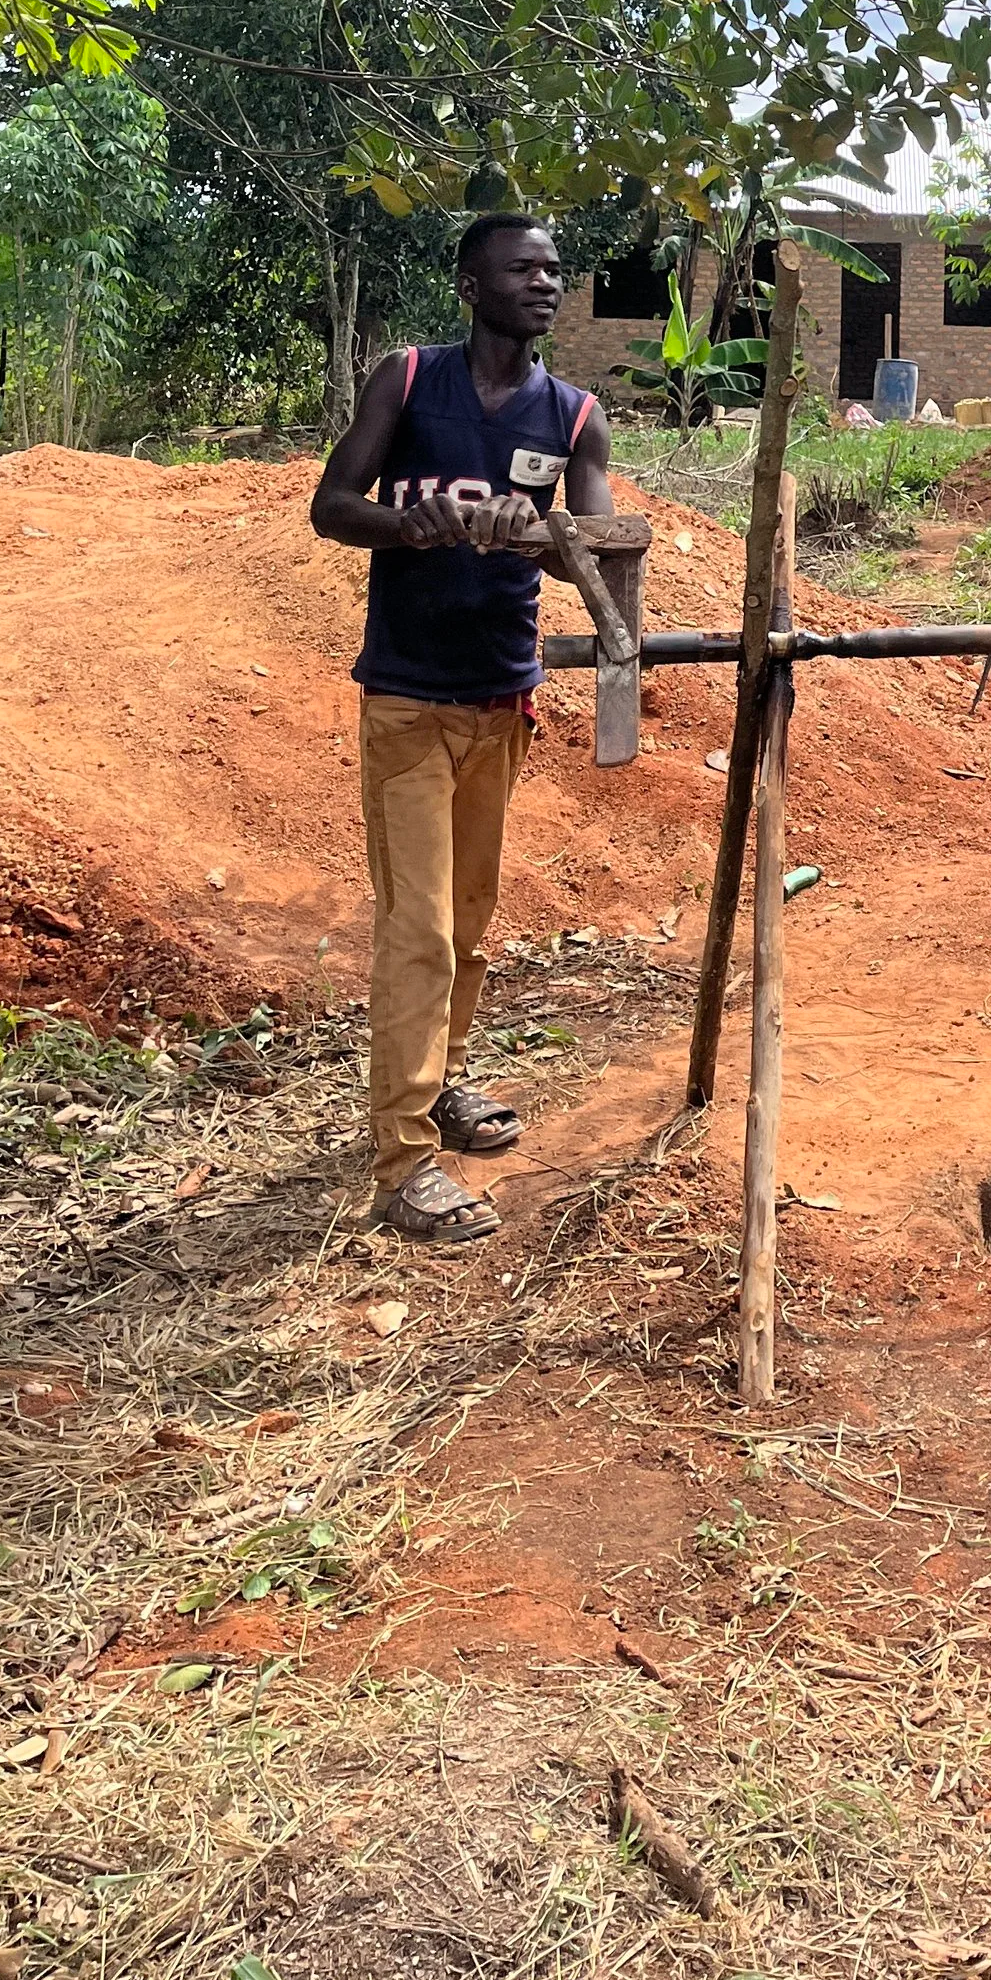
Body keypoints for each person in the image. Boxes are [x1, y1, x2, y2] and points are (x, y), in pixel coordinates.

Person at [310, 213, 613, 1246]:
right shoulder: (406, 380)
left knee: (470, 923)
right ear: (470, 285)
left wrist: (540, 537)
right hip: (406, 699)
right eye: (523, 268)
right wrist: (410, 524)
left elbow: (597, 550)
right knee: (420, 931)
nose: (546, 282)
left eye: (555, 269)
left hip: (500, 702)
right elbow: (332, 505)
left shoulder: (574, 416)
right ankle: (403, 1163)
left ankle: (437, 1081)